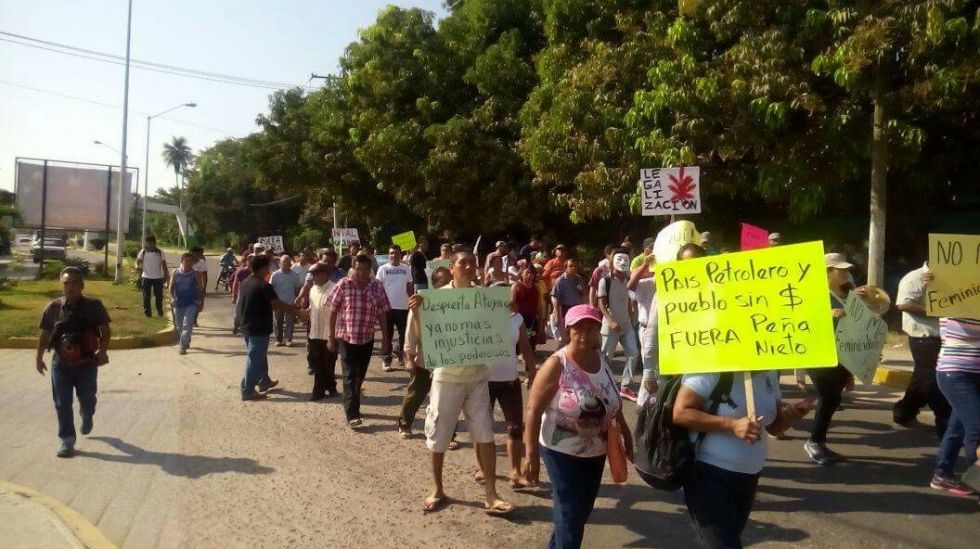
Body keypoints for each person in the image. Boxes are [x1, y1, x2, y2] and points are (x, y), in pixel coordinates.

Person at [405, 251, 514, 516]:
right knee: (438, 438)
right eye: (462, 263)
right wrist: (418, 313)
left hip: (477, 378)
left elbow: (498, 330)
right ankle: (438, 489)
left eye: (472, 263)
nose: (468, 267)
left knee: (485, 435)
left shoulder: (485, 298)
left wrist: (506, 311)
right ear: (451, 267)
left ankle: (491, 494)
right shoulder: (434, 300)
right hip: (446, 379)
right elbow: (423, 338)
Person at [523, 304, 632, 548]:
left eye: (592, 329)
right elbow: (533, 410)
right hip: (560, 451)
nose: (585, 334)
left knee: (578, 512)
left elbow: (611, 398)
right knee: (570, 515)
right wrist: (530, 453)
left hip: (596, 451)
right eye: (579, 328)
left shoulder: (601, 358)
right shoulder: (556, 364)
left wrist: (625, 430)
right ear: (568, 330)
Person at [673, 361, 814, 547]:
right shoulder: (711, 366)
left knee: (729, 538)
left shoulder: (768, 371)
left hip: (748, 477)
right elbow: (681, 412)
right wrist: (732, 425)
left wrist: (792, 416)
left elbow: (773, 426)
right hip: (708, 475)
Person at [35, 267, 111, 458]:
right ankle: (67, 441)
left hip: (86, 363)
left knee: (87, 399)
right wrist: (39, 357)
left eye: (75, 282)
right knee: (62, 402)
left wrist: (102, 352)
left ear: (82, 285)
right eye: (66, 283)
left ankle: (87, 414)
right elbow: (44, 334)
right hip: (60, 363)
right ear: (62, 285)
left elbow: (105, 331)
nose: (70, 287)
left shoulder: (93, 306)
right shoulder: (53, 308)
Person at [804, 252, 859, 465]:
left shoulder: (850, 292)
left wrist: (852, 369)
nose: (846, 273)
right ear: (828, 271)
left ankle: (818, 442)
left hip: (844, 353)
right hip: (820, 352)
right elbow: (800, 319)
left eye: (847, 269)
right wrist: (826, 315)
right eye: (841, 269)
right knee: (828, 396)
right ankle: (814, 442)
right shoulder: (813, 292)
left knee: (834, 399)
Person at [326, 254, 391, 428]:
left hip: (367, 338)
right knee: (349, 375)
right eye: (358, 269)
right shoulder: (344, 285)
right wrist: (331, 337)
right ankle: (352, 414)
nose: (361, 273)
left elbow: (382, 314)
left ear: (370, 270)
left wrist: (386, 339)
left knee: (359, 375)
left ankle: (353, 403)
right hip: (346, 337)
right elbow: (332, 311)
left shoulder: (377, 286)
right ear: (353, 268)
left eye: (365, 269)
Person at [893, 261, 951, 436]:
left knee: (922, 379)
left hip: (946, 338)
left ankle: (904, 412)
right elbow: (903, 305)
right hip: (923, 339)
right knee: (933, 380)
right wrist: (935, 309)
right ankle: (945, 422)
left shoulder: (951, 280)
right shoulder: (913, 278)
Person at [397, 266, 452, 438]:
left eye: (450, 282)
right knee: (416, 394)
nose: (448, 286)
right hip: (425, 360)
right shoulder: (421, 303)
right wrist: (409, 358)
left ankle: (450, 433)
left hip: (449, 361)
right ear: (435, 285)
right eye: (443, 283)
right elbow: (410, 333)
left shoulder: (459, 306)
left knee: (448, 400)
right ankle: (405, 423)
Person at [236, 254, 300, 400]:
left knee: (259, 355)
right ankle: (247, 389)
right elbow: (278, 305)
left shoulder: (246, 281)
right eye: (269, 266)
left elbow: (240, 303)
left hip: (247, 325)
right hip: (258, 328)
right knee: (255, 357)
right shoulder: (264, 286)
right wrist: (297, 312)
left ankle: (264, 381)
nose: (270, 269)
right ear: (264, 268)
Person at [929, 315, 980, 497]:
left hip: (976, 374)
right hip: (955, 373)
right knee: (977, 429)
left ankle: (942, 473)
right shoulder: (953, 298)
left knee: (957, 427)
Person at [597, 248, 640, 402]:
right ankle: (602, 385)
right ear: (612, 261)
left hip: (627, 325)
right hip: (610, 327)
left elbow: (628, 299)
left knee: (633, 353)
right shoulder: (605, 281)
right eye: (619, 259)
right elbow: (601, 303)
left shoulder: (628, 280)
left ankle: (625, 387)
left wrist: (631, 314)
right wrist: (610, 320)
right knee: (606, 357)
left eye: (626, 259)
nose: (623, 262)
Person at [300, 262, 342, 401]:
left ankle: (320, 391)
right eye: (313, 274)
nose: (314, 277)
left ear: (325, 274)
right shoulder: (313, 290)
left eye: (316, 274)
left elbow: (339, 312)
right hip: (315, 333)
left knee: (328, 364)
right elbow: (312, 309)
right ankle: (328, 388)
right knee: (318, 363)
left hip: (330, 334)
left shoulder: (334, 290)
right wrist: (302, 314)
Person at [628, 252, 659, 404]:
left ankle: (652, 404)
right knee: (650, 369)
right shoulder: (646, 282)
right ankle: (645, 404)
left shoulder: (672, 282)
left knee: (660, 371)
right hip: (647, 329)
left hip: (668, 331)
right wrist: (645, 265)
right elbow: (630, 285)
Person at [376, 244, 413, 371]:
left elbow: (409, 286)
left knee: (404, 334)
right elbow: (378, 288)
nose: (393, 255)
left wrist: (411, 300)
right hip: (386, 308)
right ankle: (386, 360)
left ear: (400, 255)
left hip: (403, 307)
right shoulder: (382, 269)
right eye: (391, 253)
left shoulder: (406, 268)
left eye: (396, 253)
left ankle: (400, 355)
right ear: (388, 254)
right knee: (387, 335)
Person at [169, 252, 203, 354]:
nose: (188, 263)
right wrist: (171, 298)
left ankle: (182, 346)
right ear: (182, 261)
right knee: (179, 326)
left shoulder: (196, 273)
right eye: (186, 261)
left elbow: (200, 289)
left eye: (190, 261)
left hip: (191, 304)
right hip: (178, 303)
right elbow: (170, 288)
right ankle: (186, 340)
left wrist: (200, 302)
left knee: (187, 326)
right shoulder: (175, 272)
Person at [550, 259, 586, 346]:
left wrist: (582, 290)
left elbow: (584, 294)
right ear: (565, 268)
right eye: (571, 266)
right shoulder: (560, 281)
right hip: (566, 309)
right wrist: (556, 312)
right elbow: (555, 297)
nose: (573, 268)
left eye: (575, 266)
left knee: (577, 331)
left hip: (577, 308)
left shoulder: (579, 278)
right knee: (566, 333)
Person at [270, 255, 303, 347]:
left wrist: (297, 301)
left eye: (288, 262)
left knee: (290, 321)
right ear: (280, 263)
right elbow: (271, 289)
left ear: (290, 263)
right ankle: (278, 339)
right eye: (284, 262)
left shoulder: (295, 275)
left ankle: (288, 339)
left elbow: (297, 289)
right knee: (278, 321)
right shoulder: (275, 275)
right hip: (278, 302)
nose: (286, 263)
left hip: (290, 302)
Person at [512, 265, 544, 353]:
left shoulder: (536, 288)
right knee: (520, 343)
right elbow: (512, 303)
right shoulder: (516, 286)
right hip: (520, 319)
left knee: (532, 341)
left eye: (532, 273)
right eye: (527, 272)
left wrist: (541, 322)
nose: (529, 275)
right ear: (522, 274)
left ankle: (529, 359)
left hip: (532, 318)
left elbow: (539, 306)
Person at [137, 235, 168, 318]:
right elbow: (138, 262)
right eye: (148, 243)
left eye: (151, 243)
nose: (150, 245)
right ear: (146, 243)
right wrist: (138, 268)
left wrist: (166, 276)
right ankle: (147, 312)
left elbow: (164, 264)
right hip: (146, 277)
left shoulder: (160, 252)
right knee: (146, 296)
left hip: (157, 277)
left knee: (159, 296)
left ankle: (159, 310)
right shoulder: (143, 252)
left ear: (154, 243)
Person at [231, 253, 252, 335]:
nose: (250, 263)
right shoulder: (241, 272)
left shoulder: (255, 272)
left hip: (252, 295)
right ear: (247, 262)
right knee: (238, 311)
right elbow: (235, 284)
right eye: (249, 261)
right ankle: (236, 325)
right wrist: (234, 296)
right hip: (242, 294)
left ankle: (248, 327)